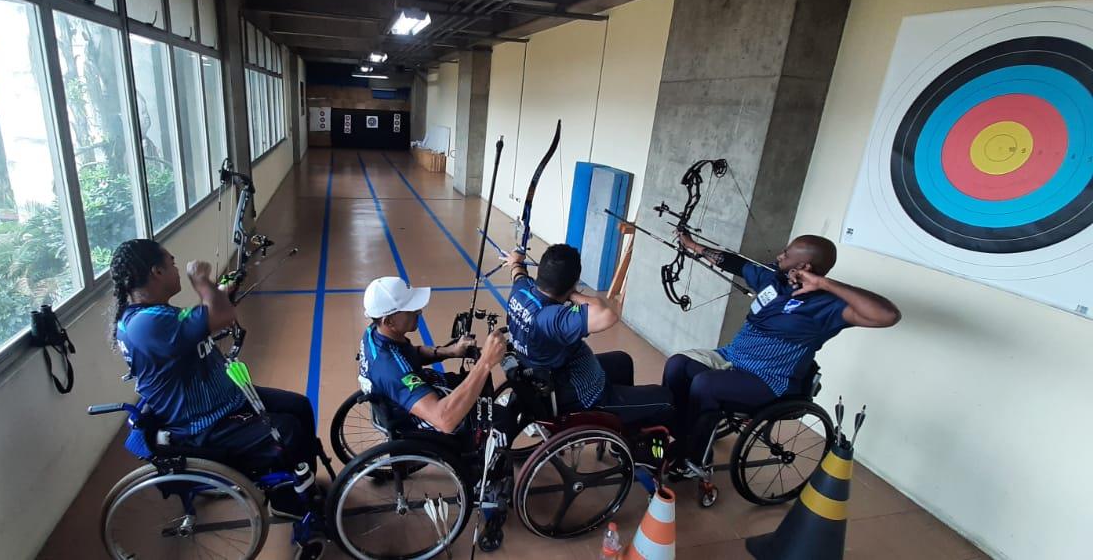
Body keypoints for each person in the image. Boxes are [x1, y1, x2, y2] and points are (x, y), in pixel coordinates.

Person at [109, 239, 323, 525]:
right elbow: (219, 315)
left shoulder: (155, 314)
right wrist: (202, 281)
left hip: (225, 398)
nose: (176, 269)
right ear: (156, 272)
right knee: (289, 431)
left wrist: (220, 291)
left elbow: (204, 317)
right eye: (171, 263)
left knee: (298, 405)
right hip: (203, 422)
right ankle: (290, 501)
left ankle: (302, 480)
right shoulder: (147, 324)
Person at [663, 233, 901, 475]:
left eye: (786, 254)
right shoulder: (774, 280)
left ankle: (694, 459)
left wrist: (824, 284)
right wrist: (693, 246)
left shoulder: (828, 305)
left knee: (705, 384)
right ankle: (678, 435)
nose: (779, 256)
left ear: (804, 266)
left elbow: (887, 315)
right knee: (678, 366)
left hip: (769, 380)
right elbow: (736, 263)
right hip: (731, 358)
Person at [357, 276, 515, 548]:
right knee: (500, 422)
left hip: (411, 394)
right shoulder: (390, 368)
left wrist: (449, 351)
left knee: (464, 382)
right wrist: (486, 363)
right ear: (389, 320)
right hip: (417, 419)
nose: (419, 310)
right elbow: (444, 419)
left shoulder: (378, 334)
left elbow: (412, 353)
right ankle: (487, 491)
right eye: (411, 309)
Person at [503, 245, 674, 428]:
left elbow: (518, 272)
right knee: (665, 399)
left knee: (622, 361)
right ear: (573, 282)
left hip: (550, 376)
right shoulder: (553, 319)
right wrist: (572, 293)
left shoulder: (520, 290)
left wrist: (515, 262)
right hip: (582, 394)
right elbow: (608, 314)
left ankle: (624, 433)